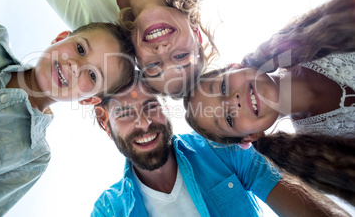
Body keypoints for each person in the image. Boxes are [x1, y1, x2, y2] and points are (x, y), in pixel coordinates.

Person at [183, 0, 355, 205]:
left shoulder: (316, 35)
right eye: (228, 118)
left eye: (223, 88)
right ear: (250, 137)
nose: (232, 101)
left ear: (235, 66)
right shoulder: (329, 154)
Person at [0, 8, 134, 215]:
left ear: (88, 100)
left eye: (93, 75)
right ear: (59, 38)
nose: (75, 66)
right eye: (80, 49)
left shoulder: (33, 157)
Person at [91, 72, 349, 216]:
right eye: (125, 114)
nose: (145, 123)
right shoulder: (109, 210)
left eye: (151, 106)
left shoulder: (222, 150)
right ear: (106, 123)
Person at [1, 0, 218, 97]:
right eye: (180, 57)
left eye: (154, 66)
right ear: (196, 34)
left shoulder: (91, 23)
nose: (162, 50)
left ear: (136, 57)